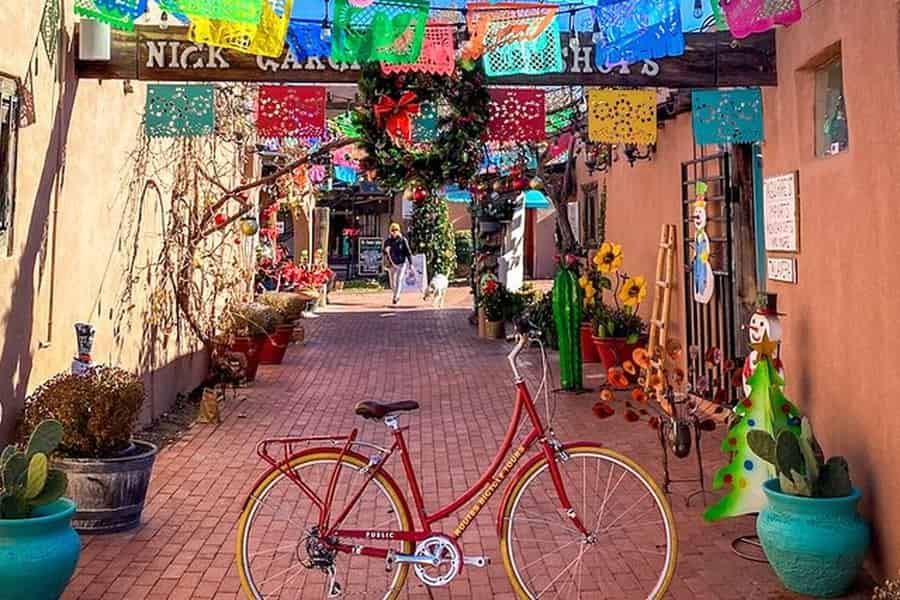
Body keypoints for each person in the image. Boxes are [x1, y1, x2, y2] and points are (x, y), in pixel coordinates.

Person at [383, 223, 413, 305]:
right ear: (390, 231)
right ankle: (395, 294)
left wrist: (411, 264)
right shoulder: (388, 241)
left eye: (396, 230)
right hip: (391, 264)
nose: (394, 232)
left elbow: (408, 252)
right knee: (392, 283)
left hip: (401, 263)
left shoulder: (403, 240)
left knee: (398, 280)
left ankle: (396, 297)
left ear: (399, 231)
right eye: (392, 230)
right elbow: (384, 252)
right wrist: (386, 250)